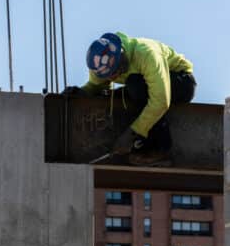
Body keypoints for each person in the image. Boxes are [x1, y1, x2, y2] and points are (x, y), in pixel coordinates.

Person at [65, 32, 196, 165]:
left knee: (135, 85)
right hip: (144, 84)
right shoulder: (100, 65)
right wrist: (81, 93)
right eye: (111, 75)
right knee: (115, 95)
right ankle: (140, 144)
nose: (115, 76)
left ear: (121, 54)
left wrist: (133, 132)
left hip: (182, 82)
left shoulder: (146, 54)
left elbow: (161, 101)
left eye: (118, 69)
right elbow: (95, 86)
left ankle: (159, 149)